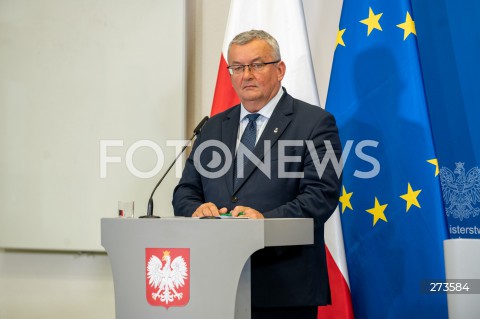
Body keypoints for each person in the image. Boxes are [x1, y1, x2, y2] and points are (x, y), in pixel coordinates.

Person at [173, 29, 342, 319]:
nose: (246, 75)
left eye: (257, 65)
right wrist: (196, 210)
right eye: (237, 67)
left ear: (280, 70)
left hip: (283, 288)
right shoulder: (213, 127)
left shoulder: (315, 123)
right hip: (217, 285)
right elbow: (185, 191)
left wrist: (265, 222)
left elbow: (321, 196)